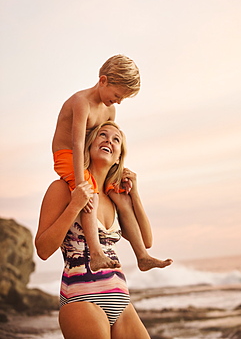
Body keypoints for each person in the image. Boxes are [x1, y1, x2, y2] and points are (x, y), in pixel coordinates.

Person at [35, 121, 172, 338]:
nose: (109, 140)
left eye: (116, 139)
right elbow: (42, 249)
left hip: (121, 301)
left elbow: (146, 241)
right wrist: (75, 205)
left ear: (119, 157)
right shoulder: (61, 188)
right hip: (81, 297)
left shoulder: (115, 198)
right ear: (88, 145)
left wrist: (134, 194)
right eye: (102, 135)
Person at [52, 54, 140, 271]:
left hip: (88, 159)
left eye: (123, 99)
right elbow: (78, 143)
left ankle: (143, 255)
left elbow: (107, 142)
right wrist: (81, 185)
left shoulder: (110, 110)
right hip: (67, 155)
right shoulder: (82, 103)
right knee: (89, 192)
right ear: (103, 81)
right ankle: (97, 253)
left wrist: (116, 175)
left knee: (119, 194)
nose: (118, 101)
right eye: (117, 95)